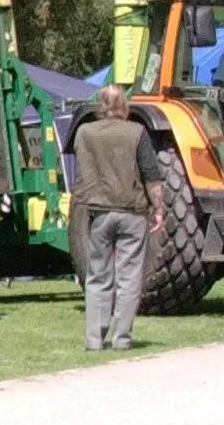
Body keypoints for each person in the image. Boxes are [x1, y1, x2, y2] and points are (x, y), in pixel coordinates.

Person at [69, 85, 166, 351]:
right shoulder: (137, 132)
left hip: (98, 212)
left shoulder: (84, 132)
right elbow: (150, 175)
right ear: (125, 105)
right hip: (132, 212)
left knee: (97, 276)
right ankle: (122, 339)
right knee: (129, 277)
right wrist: (158, 209)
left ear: (101, 105)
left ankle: (94, 339)